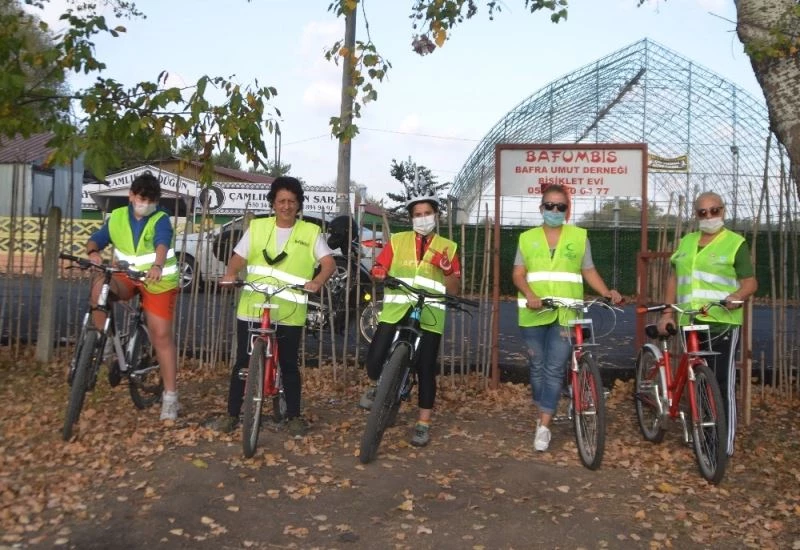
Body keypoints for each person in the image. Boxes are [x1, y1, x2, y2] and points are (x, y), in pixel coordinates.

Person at [212, 176, 336, 437]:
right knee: (242, 363)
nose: (286, 206)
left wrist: (317, 281)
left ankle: (294, 416)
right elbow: (237, 258)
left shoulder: (310, 232)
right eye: (281, 201)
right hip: (253, 305)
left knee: (289, 364)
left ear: (299, 205)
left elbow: (328, 263)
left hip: (289, 309)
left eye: (292, 201)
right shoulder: (257, 228)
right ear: (273, 203)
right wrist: (231, 273)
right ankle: (232, 414)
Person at [512, 184, 622, 452]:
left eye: (560, 206)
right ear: (541, 208)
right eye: (549, 206)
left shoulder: (579, 236)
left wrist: (607, 292)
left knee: (553, 368)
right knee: (537, 367)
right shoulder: (527, 238)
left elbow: (589, 271)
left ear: (567, 210)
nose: (554, 210)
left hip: (567, 311)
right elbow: (517, 273)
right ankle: (544, 409)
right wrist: (528, 292)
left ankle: (544, 426)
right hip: (534, 311)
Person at [358, 182, 461, 448]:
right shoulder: (398, 240)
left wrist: (447, 269)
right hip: (397, 308)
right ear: (411, 218)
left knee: (426, 368)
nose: (422, 218)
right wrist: (380, 272)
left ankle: (422, 424)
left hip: (430, 313)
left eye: (427, 213)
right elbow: (380, 266)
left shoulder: (448, 246)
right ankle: (379, 385)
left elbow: (454, 288)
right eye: (417, 214)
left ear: (436, 216)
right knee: (374, 359)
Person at [657, 191, 757, 457]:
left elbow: (750, 282)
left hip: (722, 322)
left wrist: (738, 296)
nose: (709, 216)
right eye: (703, 212)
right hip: (690, 320)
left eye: (715, 211)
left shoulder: (735, 243)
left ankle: (723, 448)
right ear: (696, 215)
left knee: (721, 382)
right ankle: (704, 434)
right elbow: (674, 277)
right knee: (697, 380)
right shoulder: (687, 242)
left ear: (723, 211)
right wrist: (667, 312)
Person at [86, 171, 181, 421]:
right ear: (131, 196)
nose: (145, 204)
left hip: (158, 281)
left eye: (151, 200)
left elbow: (162, 242)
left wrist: (158, 266)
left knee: (160, 335)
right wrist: (93, 252)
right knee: (99, 286)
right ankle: (104, 342)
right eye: (141, 198)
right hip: (127, 276)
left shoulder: (160, 218)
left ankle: (170, 397)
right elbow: (97, 239)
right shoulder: (117, 217)